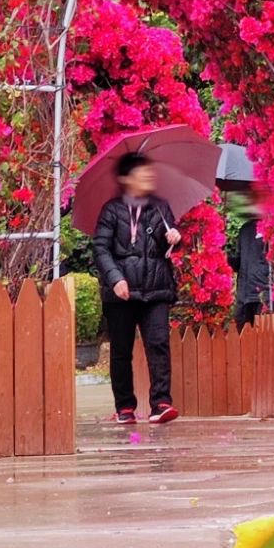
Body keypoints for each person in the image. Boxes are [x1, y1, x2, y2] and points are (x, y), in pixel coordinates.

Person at [94, 152, 182, 424]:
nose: (148, 177)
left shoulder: (160, 207)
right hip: (121, 292)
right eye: (142, 173)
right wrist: (116, 278)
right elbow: (100, 249)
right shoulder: (111, 210)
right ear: (126, 179)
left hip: (155, 287)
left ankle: (161, 403)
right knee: (121, 349)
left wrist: (174, 239)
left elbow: (165, 246)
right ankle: (125, 406)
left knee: (158, 344)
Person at [230, 200, 271, 329]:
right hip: (246, 294)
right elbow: (238, 260)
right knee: (243, 336)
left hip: (260, 292)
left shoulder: (271, 228)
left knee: (259, 335)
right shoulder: (245, 229)